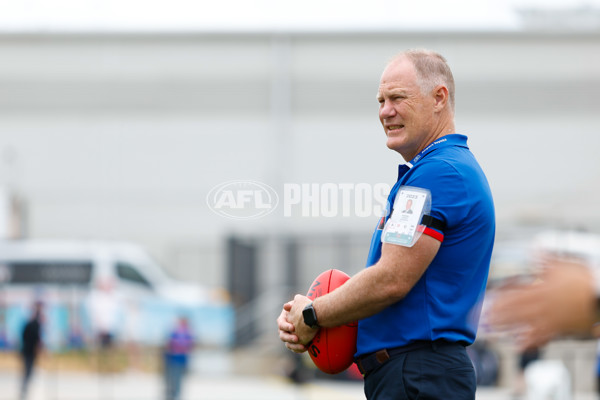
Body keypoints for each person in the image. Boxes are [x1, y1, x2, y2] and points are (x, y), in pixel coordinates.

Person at [277, 49, 495, 399]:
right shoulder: (437, 170)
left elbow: (391, 279)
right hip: (415, 376)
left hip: (417, 377)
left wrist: (313, 314)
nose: (385, 111)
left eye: (397, 98)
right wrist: (305, 317)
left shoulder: (441, 173)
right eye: (380, 100)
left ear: (439, 98)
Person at [164, 316, 194, 400]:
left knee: (173, 379)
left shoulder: (176, 331)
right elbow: (190, 346)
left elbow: (168, 344)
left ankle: (173, 394)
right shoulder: (187, 332)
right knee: (177, 379)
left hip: (174, 359)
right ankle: (175, 395)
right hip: (179, 359)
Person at [20, 301, 43, 400]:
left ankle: (25, 389)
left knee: (28, 370)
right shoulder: (34, 324)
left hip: (27, 351)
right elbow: (36, 339)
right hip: (29, 351)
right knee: (28, 371)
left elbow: (24, 336)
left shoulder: (29, 324)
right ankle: (25, 389)